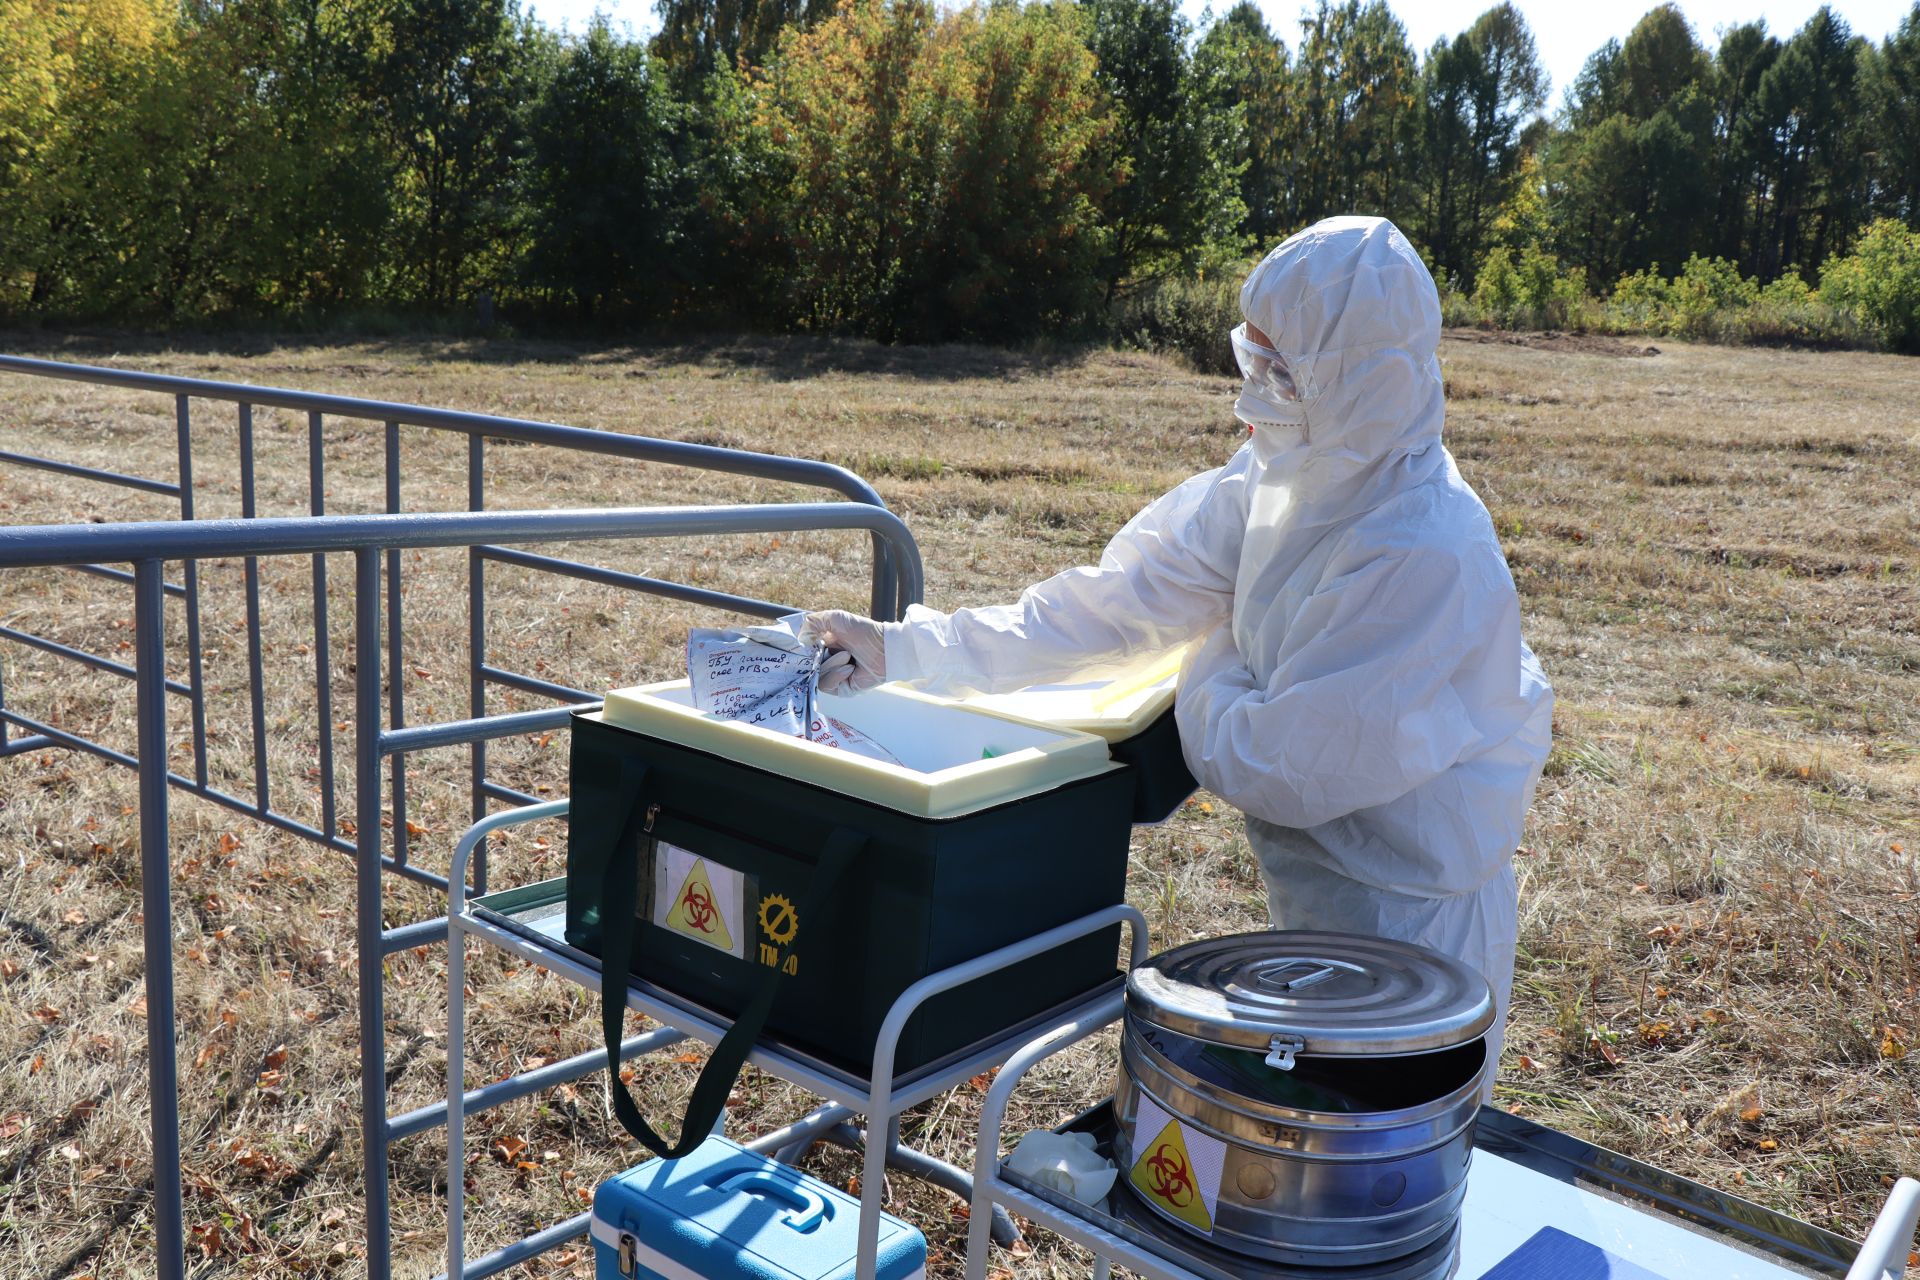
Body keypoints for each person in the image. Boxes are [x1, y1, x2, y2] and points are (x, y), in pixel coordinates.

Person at [805, 215, 1553, 1081]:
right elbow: (1110, 606)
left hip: (1414, 930)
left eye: (1283, 371)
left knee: (1386, 1162)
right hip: (1322, 899)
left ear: (1358, 380)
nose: (1256, 394)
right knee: (1295, 1147)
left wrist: (1212, 653)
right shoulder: (1283, 480)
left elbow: (1277, 761)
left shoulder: (1423, 549)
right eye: (1254, 360)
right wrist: (907, 648)